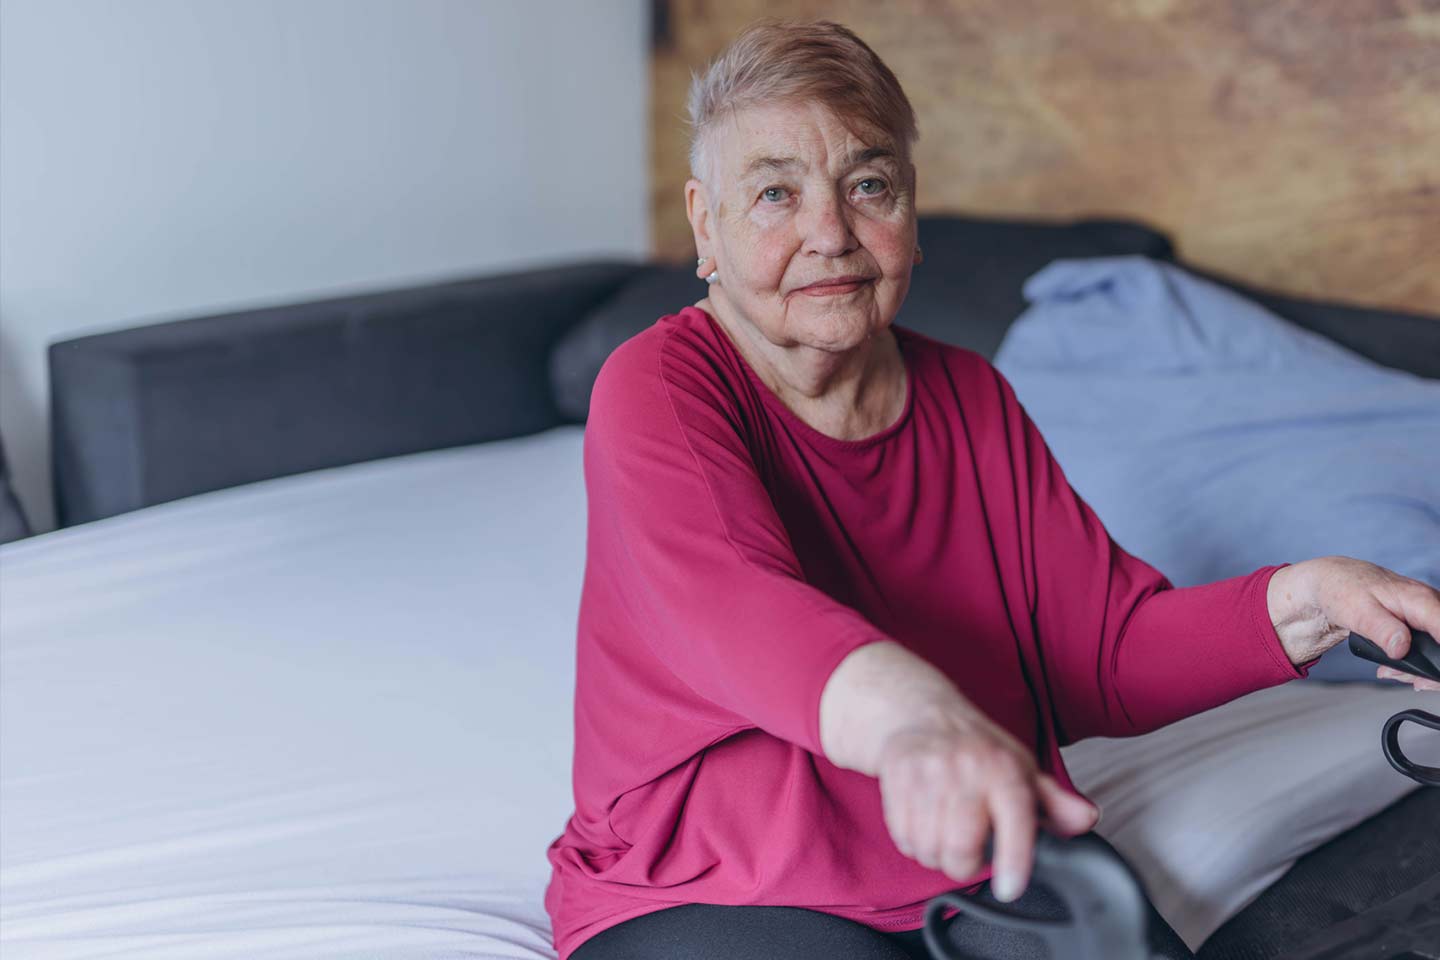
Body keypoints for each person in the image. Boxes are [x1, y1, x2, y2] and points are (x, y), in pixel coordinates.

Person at [543, 18, 1440, 960]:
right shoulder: (658, 386)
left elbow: (1102, 651)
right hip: (713, 886)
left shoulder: (968, 391)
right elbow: (738, 609)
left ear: (911, 209)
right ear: (704, 223)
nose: (831, 234)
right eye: (775, 193)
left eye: (868, 185)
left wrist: (1307, 602)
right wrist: (921, 724)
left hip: (980, 851)